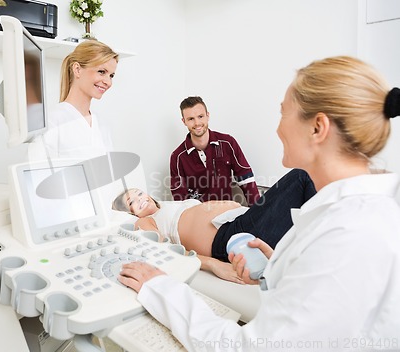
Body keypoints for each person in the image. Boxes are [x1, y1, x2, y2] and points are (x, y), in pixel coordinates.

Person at [118, 56, 400, 350]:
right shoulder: (358, 215)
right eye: (132, 201)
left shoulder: (346, 235)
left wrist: (161, 289)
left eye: (283, 113)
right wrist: (277, 268)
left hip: (237, 222)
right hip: (228, 235)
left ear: (318, 128)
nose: (278, 129)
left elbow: (251, 347)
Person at [112, 168, 316, 282]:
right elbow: (165, 251)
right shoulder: (145, 221)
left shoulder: (167, 205)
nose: (139, 199)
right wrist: (213, 264)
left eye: (139, 193)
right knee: (300, 178)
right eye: (132, 202)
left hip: (240, 220)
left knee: (303, 195)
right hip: (232, 237)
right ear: (130, 212)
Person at [170, 96, 260, 205]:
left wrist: (257, 211)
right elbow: (179, 197)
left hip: (226, 213)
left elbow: (245, 177)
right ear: (184, 121)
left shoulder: (227, 143)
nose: (197, 123)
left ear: (208, 116)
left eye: (200, 116)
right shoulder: (177, 157)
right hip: (198, 216)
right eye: (191, 119)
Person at [40, 40, 119, 160]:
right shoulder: (52, 121)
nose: (108, 82)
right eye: (101, 72)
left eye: (111, 76)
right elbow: (37, 174)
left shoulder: (101, 124)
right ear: (77, 69)